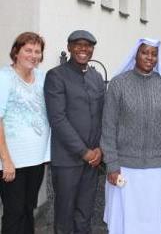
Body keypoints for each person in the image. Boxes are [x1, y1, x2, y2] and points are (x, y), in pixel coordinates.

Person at [100, 38, 161, 234]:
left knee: (152, 220)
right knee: (124, 221)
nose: (150, 57)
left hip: (157, 168)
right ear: (135, 54)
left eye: (154, 54)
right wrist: (112, 164)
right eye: (145, 52)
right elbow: (108, 127)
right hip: (124, 167)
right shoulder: (118, 84)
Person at [44, 30, 105, 234]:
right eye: (78, 45)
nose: (83, 49)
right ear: (69, 47)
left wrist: (99, 150)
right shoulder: (56, 76)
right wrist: (84, 152)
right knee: (64, 216)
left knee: (85, 215)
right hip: (67, 160)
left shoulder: (96, 77)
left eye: (88, 46)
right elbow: (58, 119)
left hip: (93, 161)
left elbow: (102, 116)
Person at [0, 32, 50, 234]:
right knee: (14, 212)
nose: (33, 55)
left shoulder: (42, 77)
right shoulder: (4, 77)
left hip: (36, 159)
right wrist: (6, 160)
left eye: (37, 51)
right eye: (28, 50)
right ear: (16, 52)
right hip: (13, 161)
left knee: (29, 209)